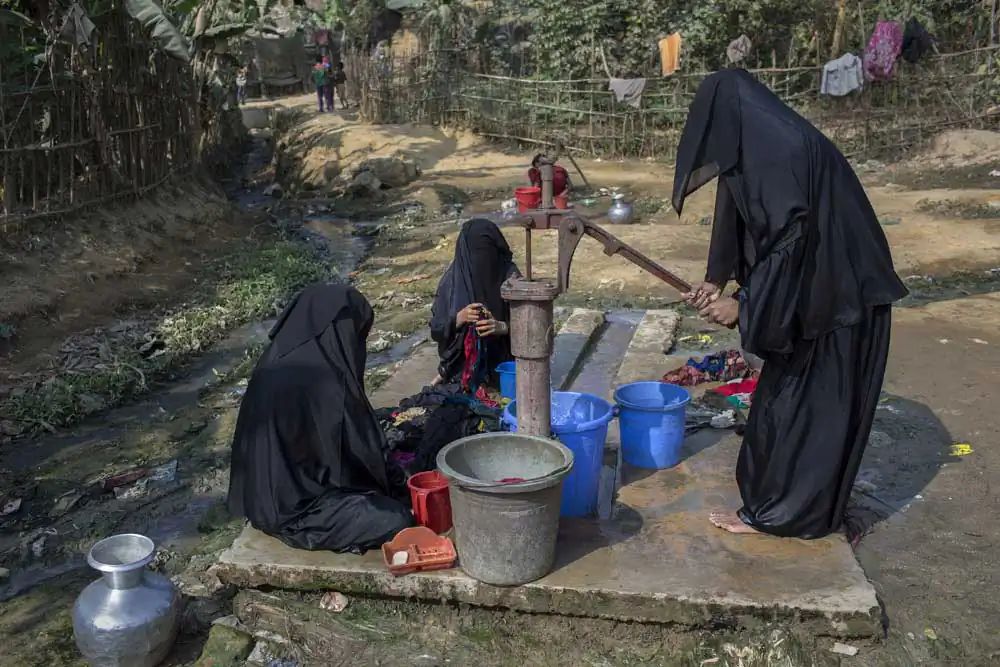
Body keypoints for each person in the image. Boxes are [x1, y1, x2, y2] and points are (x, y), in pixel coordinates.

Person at [672, 69, 908, 540]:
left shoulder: (781, 150)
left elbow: (789, 240)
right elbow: (736, 209)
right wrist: (716, 281)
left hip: (840, 300)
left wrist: (746, 307)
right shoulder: (760, 139)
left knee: (807, 413)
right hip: (817, 295)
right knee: (797, 409)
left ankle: (780, 516)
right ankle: (789, 510)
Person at [227, 283, 414, 554]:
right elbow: (357, 460)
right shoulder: (326, 381)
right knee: (395, 517)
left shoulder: (278, 359)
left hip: (262, 498)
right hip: (297, 511)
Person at [430, 218, 519, 388]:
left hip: (505, 363)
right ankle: (447, 372)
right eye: (475, 254)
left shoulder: (511, 278)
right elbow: (436, 330)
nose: (481, 260)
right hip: (462, 367)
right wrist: (458, 319)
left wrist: (502, 327)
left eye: (487, 253)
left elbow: (532, 328)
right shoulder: (452, 282)